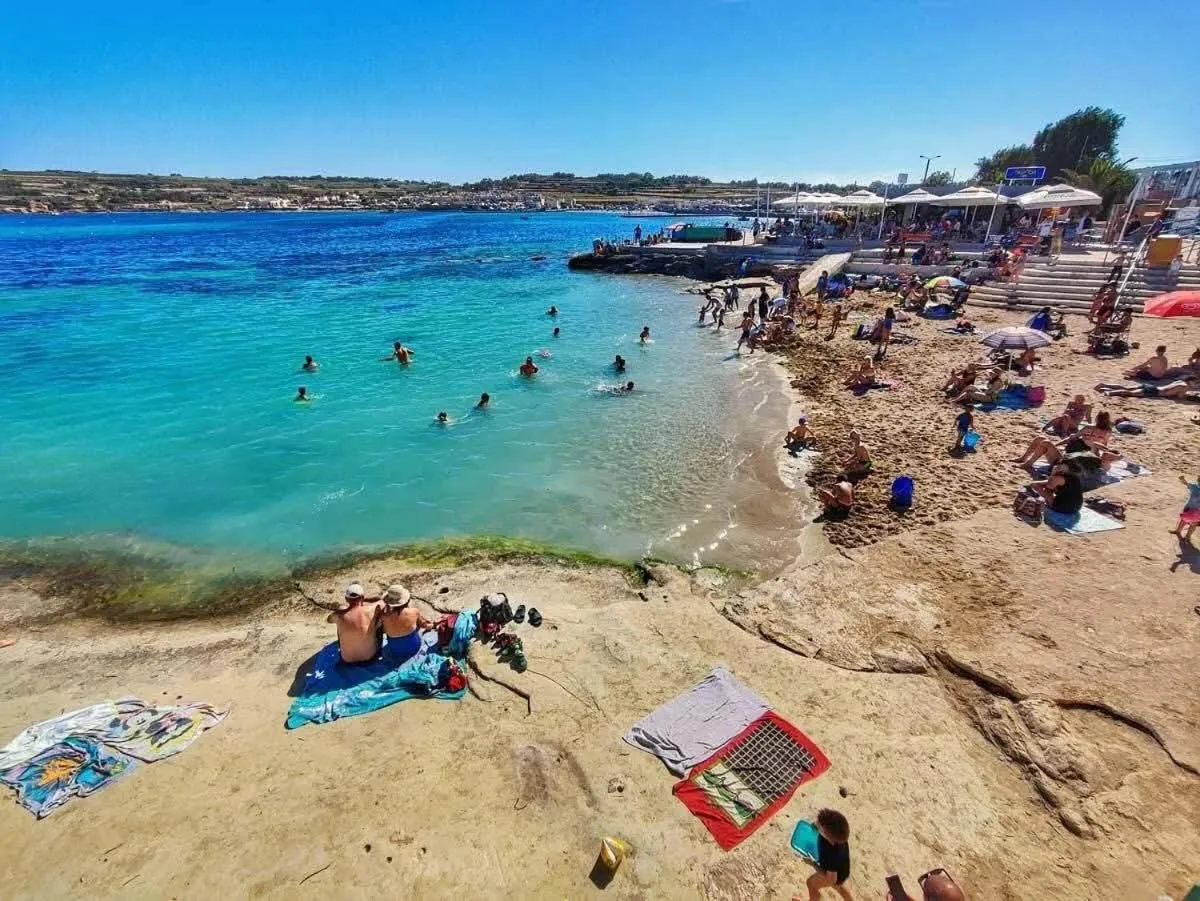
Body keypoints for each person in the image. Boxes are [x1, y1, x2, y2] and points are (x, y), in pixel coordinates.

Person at [1014, 411, 1116, 470]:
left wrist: (1056, 445)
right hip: (1073, 458)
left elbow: (1070, 438)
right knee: (1040, 439)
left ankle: (1028, 464)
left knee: (1044, 442)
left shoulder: (1088, 429)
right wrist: (1056, 445)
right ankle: (1023, 458)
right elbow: (1105, 447)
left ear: (1097, 419)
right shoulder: (1107, 432)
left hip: (1071, 463)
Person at [797, 808, 854, 901]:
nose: (815, 823)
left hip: (833, 875)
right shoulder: (839, 837)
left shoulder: (831, 856)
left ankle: (815, 898)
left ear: (827, 836)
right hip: (843, 870)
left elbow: (831, 879)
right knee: (840, 886)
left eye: (819, 826)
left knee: (811, 883)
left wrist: (812, 863)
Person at [328, 583, 384, 665]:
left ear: (346, 599)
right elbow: (382, 601)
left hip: (347, 660)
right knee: (379, 621)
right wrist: (364, 600)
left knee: (339, 623)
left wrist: (342, 610)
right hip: (370, 658)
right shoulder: (371, 610)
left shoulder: (339, 615)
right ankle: (377, 648)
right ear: (362, 597)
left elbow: (329, 620)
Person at [380, 584, 434, 663]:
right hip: (413, 648)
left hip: (394, 650)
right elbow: (423, 625)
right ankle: (431, 626)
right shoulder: (413, 611)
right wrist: (429, 625)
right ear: (406, 600)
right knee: (419, 626)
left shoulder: (384, 617)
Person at [1172, 474, 1200, 542]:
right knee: (1186, 521)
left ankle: (1188, 536)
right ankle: (1179, 531)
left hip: (1195, 509)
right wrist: (1182, 479)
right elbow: (1186, 484)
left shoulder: (1194, 486)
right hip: (1190, 507)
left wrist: (1182, 479)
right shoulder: (1194, 486)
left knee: (1192, 523)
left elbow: (1186, 484)